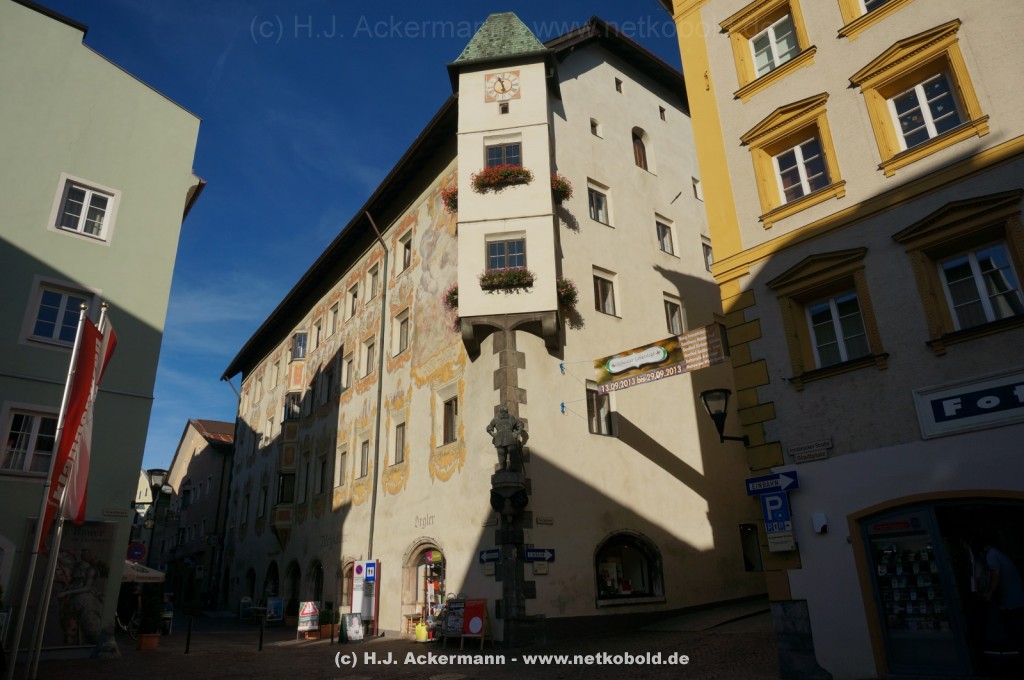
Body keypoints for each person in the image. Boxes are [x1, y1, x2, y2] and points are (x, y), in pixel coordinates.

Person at [486, 406, 524, 472]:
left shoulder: (511, 418)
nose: (503, 414)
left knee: (512, 452)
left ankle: (513, 468)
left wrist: (517, 433)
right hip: (500, 438)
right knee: (501, 453)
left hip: (509, 437)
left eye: (504, 412)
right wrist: (494, 434)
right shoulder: (496, 419)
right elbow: (489, 428)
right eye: (502, 412)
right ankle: (502, 468)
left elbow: (520, 425)